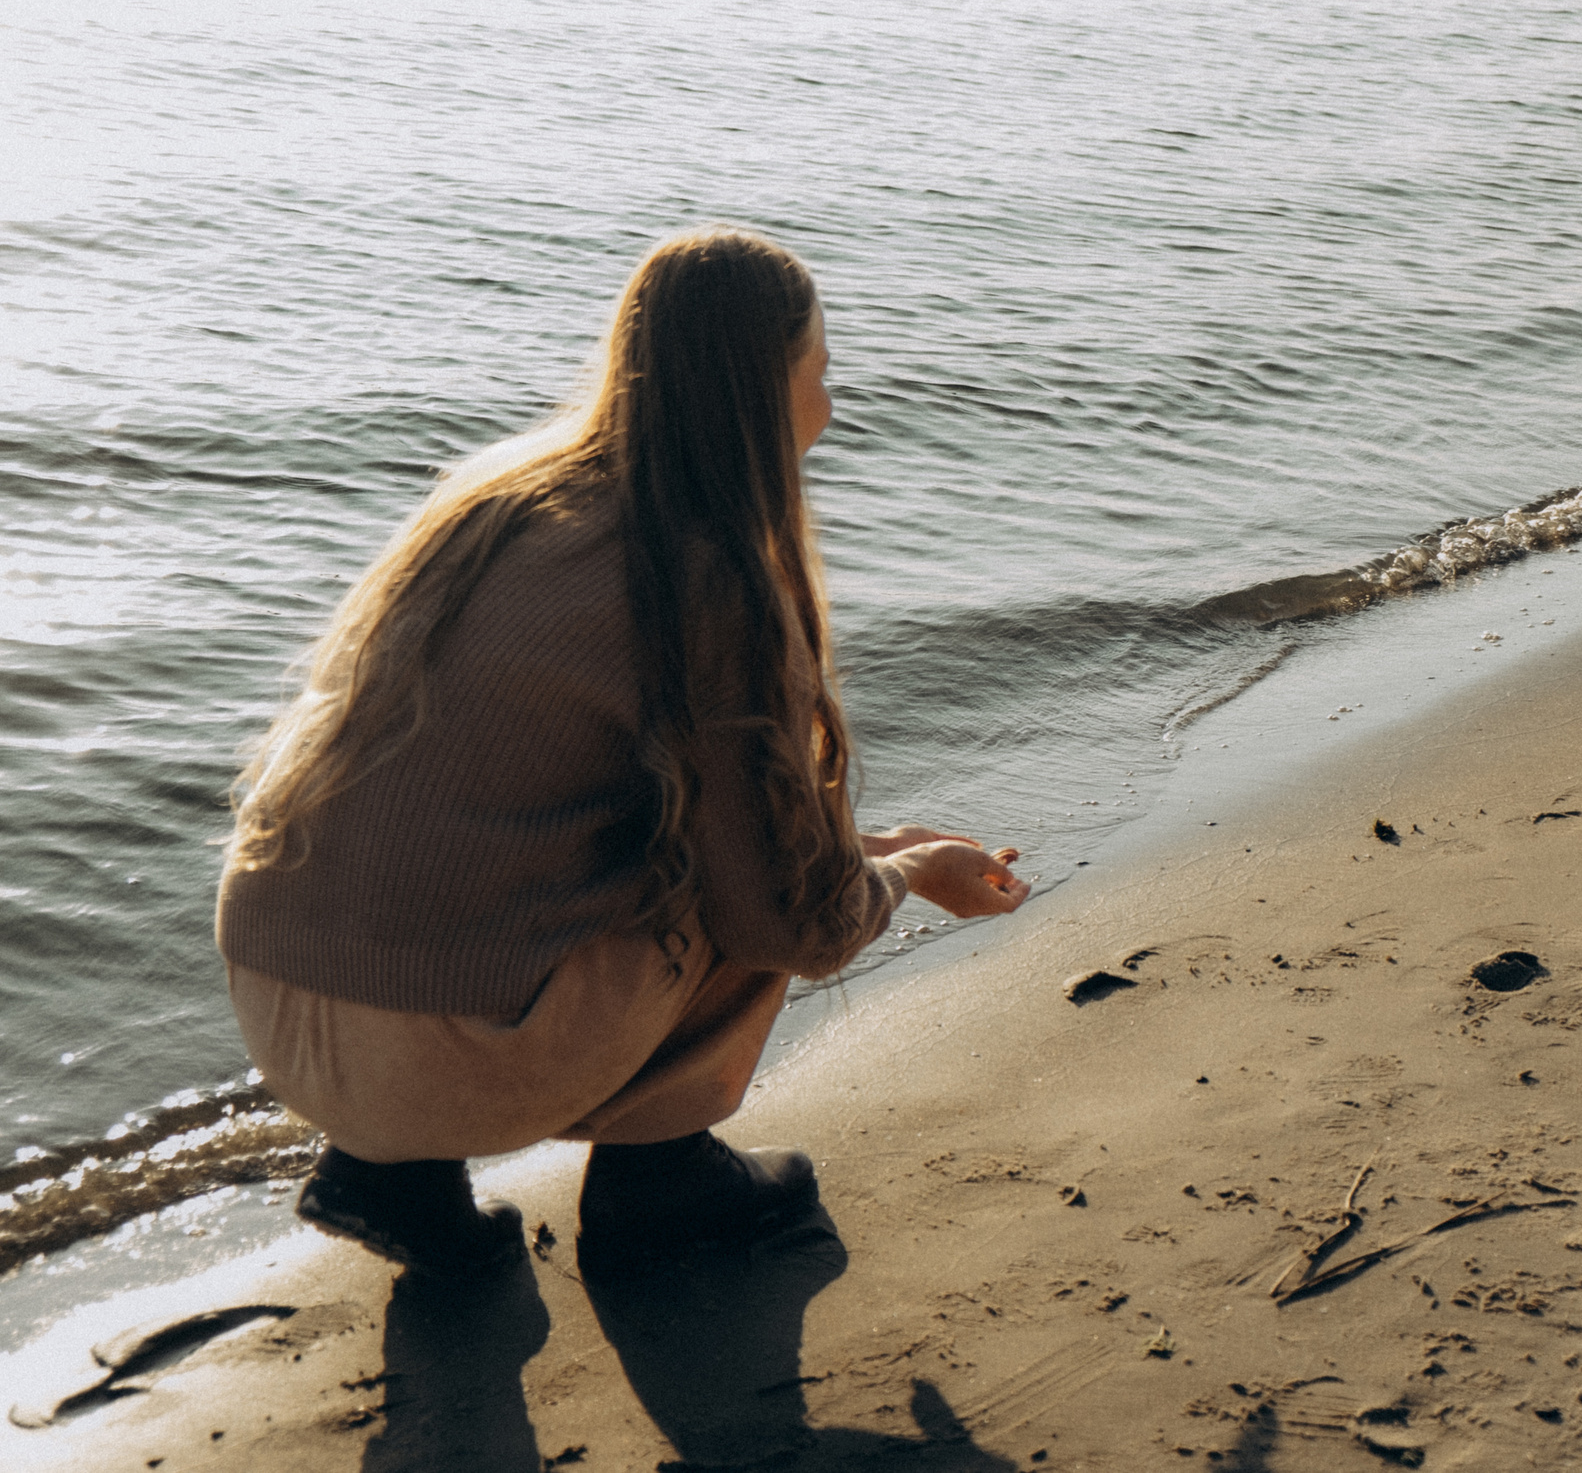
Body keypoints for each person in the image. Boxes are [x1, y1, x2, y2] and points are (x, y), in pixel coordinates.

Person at [216, 229, 1029, 1280]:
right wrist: (909, 874)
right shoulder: (704, 574)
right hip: (445, 1052)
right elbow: (792, 915)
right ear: (755, 394)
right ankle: (663, 1179)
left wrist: (873, 845)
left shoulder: (497, 499)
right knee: (748, 867)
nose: (830, 408)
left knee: (641, 820)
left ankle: (397, 1181)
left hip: (279, 991)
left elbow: (484, 805)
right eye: (819, 375)